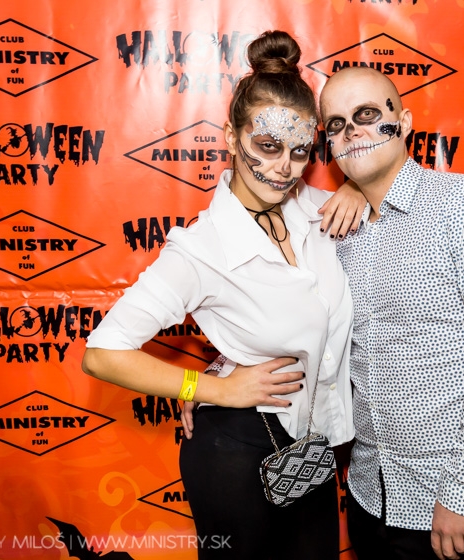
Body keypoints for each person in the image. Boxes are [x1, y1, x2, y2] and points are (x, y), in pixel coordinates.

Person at [82, 31, 365, 560]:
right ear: (232, 138)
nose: (283, 167)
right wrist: (213, 387)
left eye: (300, 151)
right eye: (268, 146)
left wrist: (356, 184)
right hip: (233, 449)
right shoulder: (200, 249)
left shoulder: (318, 210)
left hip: (313, 446)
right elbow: (101, 353)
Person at [319, 67, 464, 560]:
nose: (351, 130)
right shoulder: (338, 232)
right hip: (368, 496)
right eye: (336, 123)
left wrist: (463, 491)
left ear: (404, 122)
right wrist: (219, 376)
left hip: (450, 509)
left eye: (367, 114)